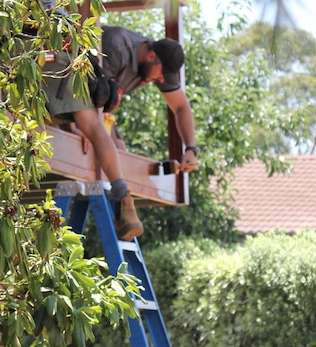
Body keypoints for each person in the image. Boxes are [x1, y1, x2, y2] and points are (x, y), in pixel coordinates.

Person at [41, 24, 199, 240]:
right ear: (151, 56)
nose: (161, 81)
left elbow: (181, 107)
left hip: (94, 105)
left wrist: (190, 148)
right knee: (99, 137)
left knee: (120, 151)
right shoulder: (116, 47)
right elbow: (89, 89)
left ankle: (124, 210)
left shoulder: (153, 66)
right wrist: (78, 128)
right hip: (66, 84)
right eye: (161, 75)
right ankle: (122, 201)